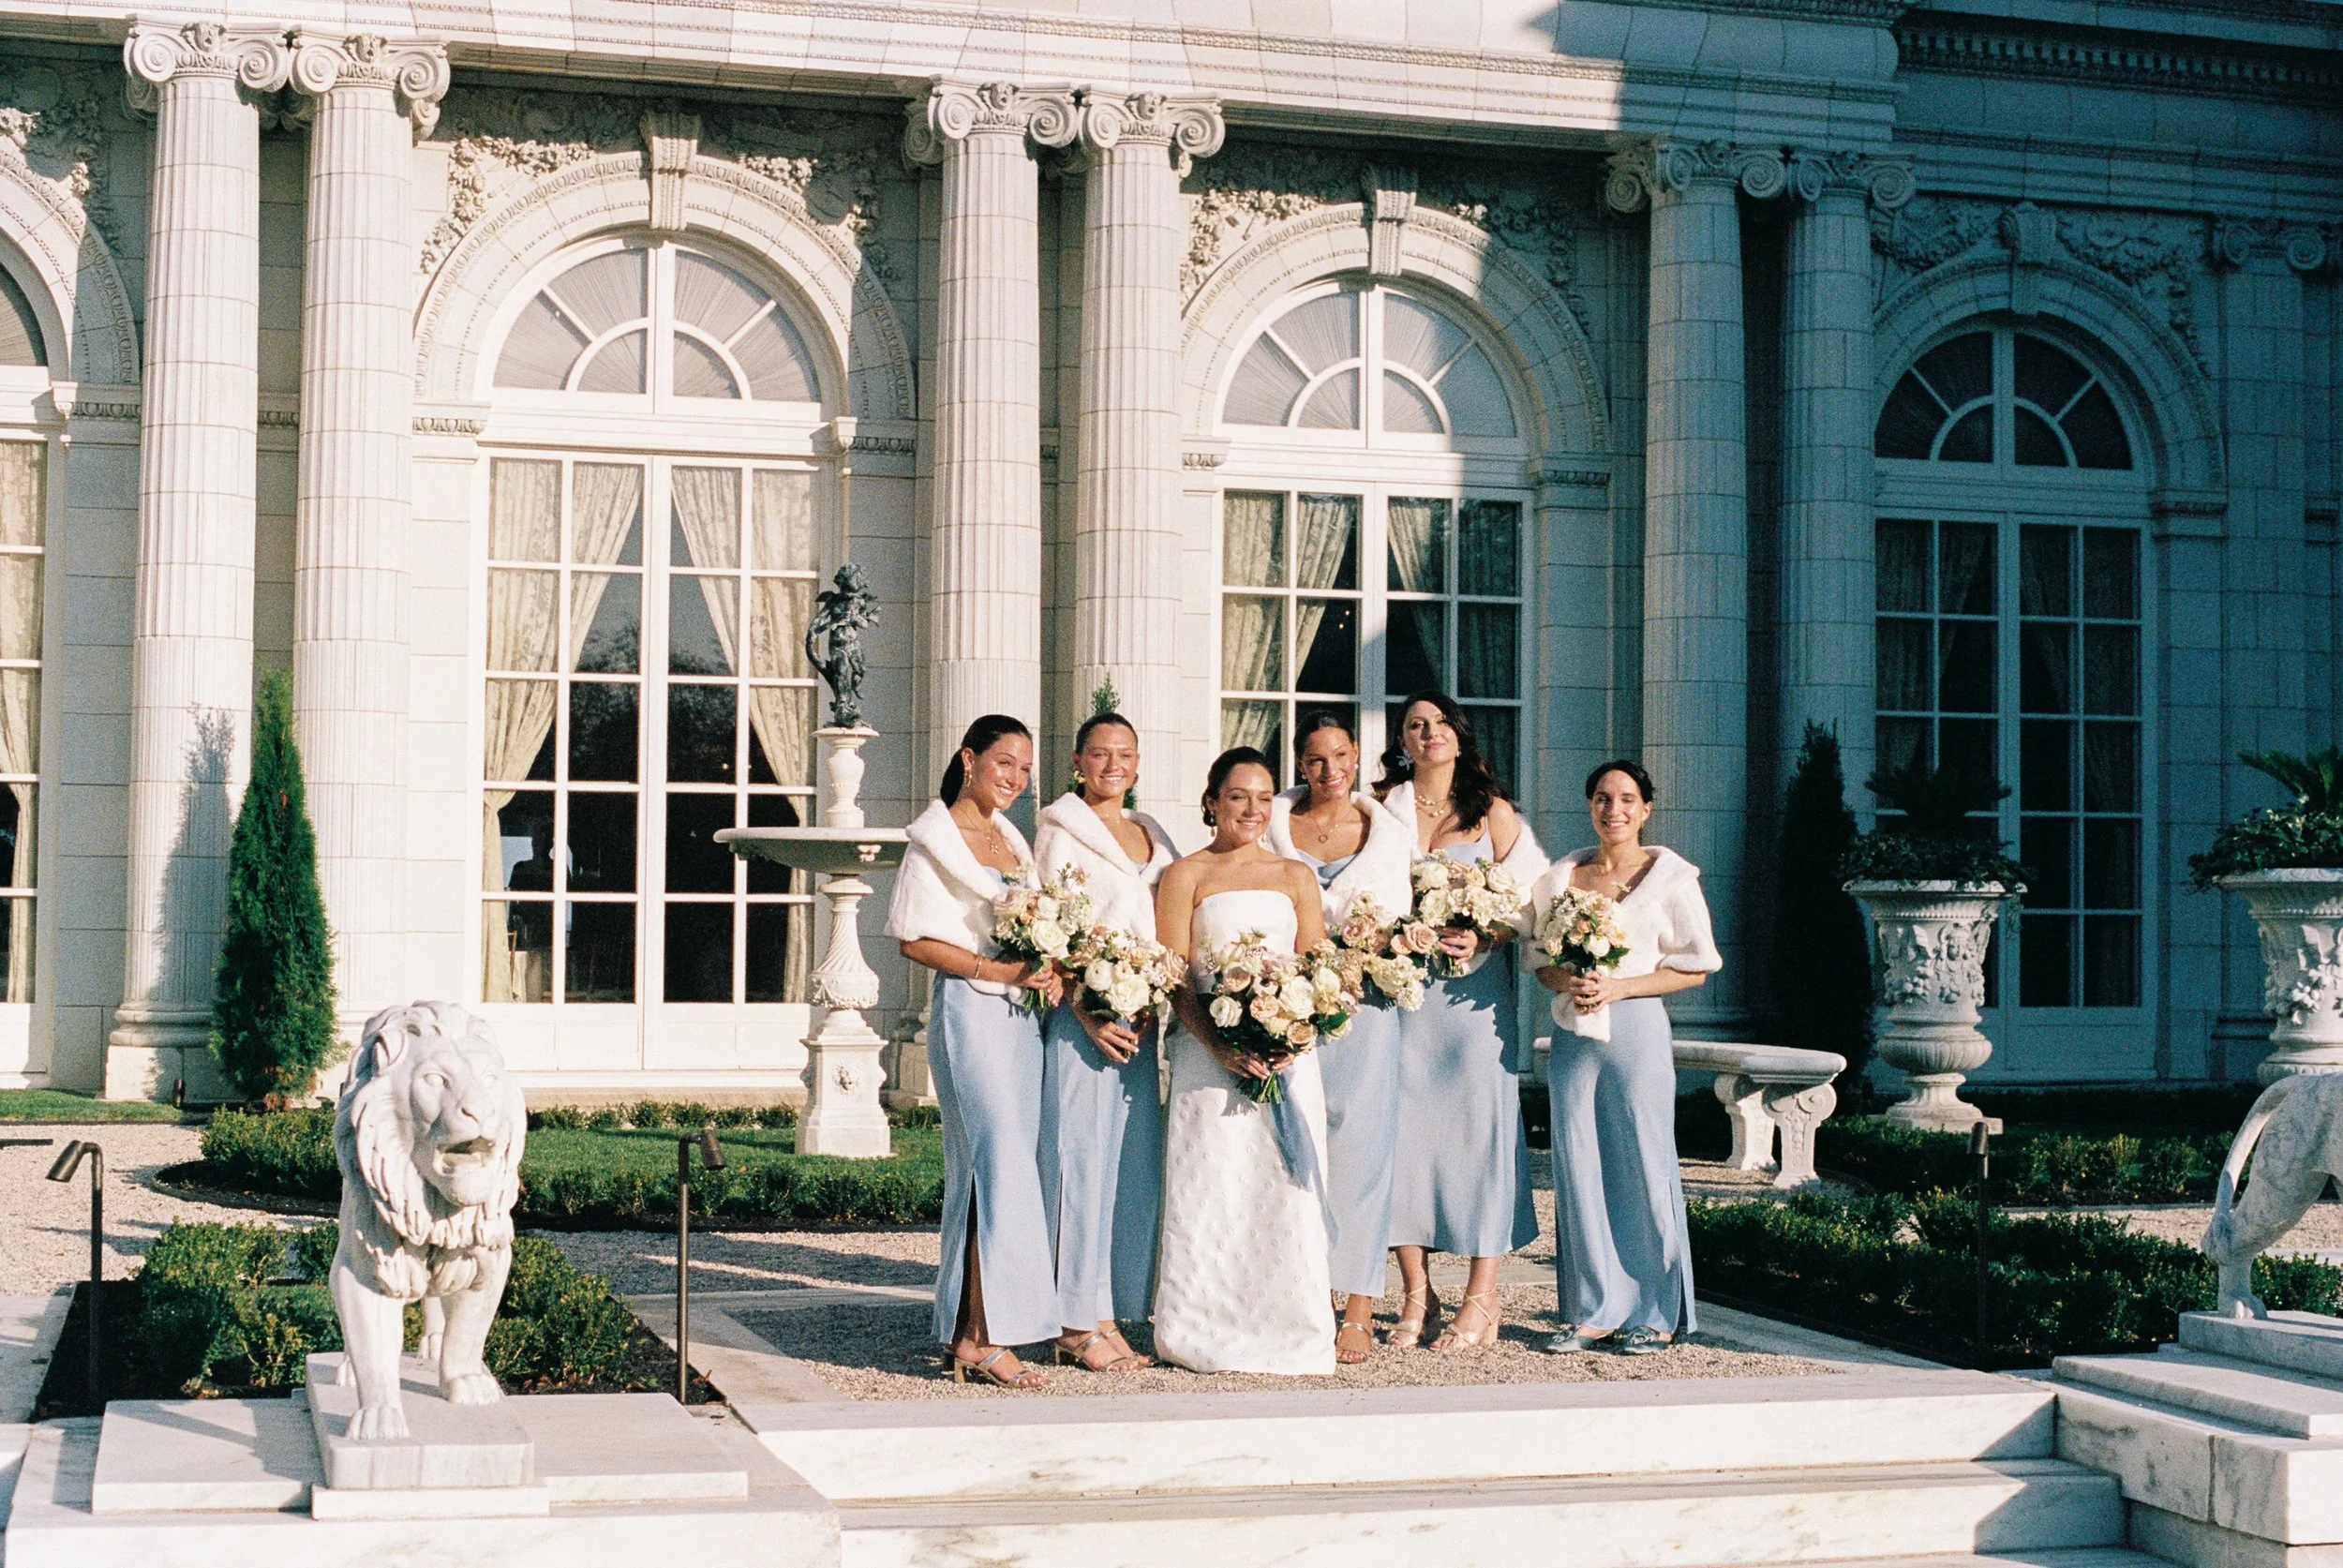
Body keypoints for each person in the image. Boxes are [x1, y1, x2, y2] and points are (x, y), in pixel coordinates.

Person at [887, 715, 1066, 1389]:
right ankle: (982, 1336)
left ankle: (972, 1332)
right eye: (1003, 763)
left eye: (1024, 768)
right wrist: (997, 974)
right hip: (972, 1010)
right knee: (996, 1162)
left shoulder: (1012, 838)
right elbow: (912, 938)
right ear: (969, 758)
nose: (1015, 778)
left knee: (1007, 1164)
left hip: (1021, 1017)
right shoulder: (935, 840)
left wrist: (1043, 965)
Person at [1152, 747, 1338, 1375]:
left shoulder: (1296, 876)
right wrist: (1221, 1045)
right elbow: (1176, 977)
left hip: (1288, 1059)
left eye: (1263, 798)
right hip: (1209, 1057)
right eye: (1238, 796)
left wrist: (1292, 1031)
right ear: (1212, 801)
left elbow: (1317, 971)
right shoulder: (1185, 874)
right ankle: (1198, 1326)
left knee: (1284, 1188)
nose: (1252, 810)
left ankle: (1296, 1326)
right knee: (1213, 1184)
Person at [1375, 693, 1546, 1351]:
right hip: (1401, 997)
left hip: (1476, 1005)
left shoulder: (1493, 813)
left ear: (1459, 734)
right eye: (1416, 725)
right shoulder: (1381, 810)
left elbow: (1532, 904)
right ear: (1403, 739)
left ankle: (1483, 1294)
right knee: (1401, 1136)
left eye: (1441, 723)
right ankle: (1418, 1295)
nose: (1429, 733)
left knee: (1481, 1135)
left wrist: (1489, 935)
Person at [1530, 759, 1719, 1355]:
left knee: (1644, 1157)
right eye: (1603, 798)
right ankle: (1595, 1308)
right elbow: (1538, 959)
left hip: (1636, 1027)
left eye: (1627, 799)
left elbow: (1696, 966)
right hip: (1574, 1031)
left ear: (1646, 809)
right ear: (1589, 806)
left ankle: (1659, 1312)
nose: (1614, 810)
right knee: (1578, 1160)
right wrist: (1567, 978)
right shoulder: (1562, 877)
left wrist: (1619, 986)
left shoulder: (1671, 878)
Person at [1264, 713, 1414, 1365]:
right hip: (1289, 1003)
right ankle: (1300, 1290)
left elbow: (1403, 919)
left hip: (1366, 1006)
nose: (1331, 770)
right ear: (1300, 764)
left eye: (1342, 756)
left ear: (1357, 759)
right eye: (1317, 759)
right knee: (1289, 1139)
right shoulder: (1271, 826)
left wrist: (1366, 948)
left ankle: (1357, 1301)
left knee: (1363, 1147)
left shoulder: (1389, 833)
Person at [1033, 711, 1176, 1373]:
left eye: (1124, 753)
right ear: (1077, 762)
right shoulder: (1060, 832)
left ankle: (1110, 1310)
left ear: (1138, 763)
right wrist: (1090, 1011)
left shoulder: (1154, 834)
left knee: (1130, 1168)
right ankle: (1071, 1319)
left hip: (1141, 1024)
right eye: (1099, 753)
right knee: (1079, 1164)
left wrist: (1156, 993)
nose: (1112, 764)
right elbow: (1051, 929)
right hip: (1084, 1019)